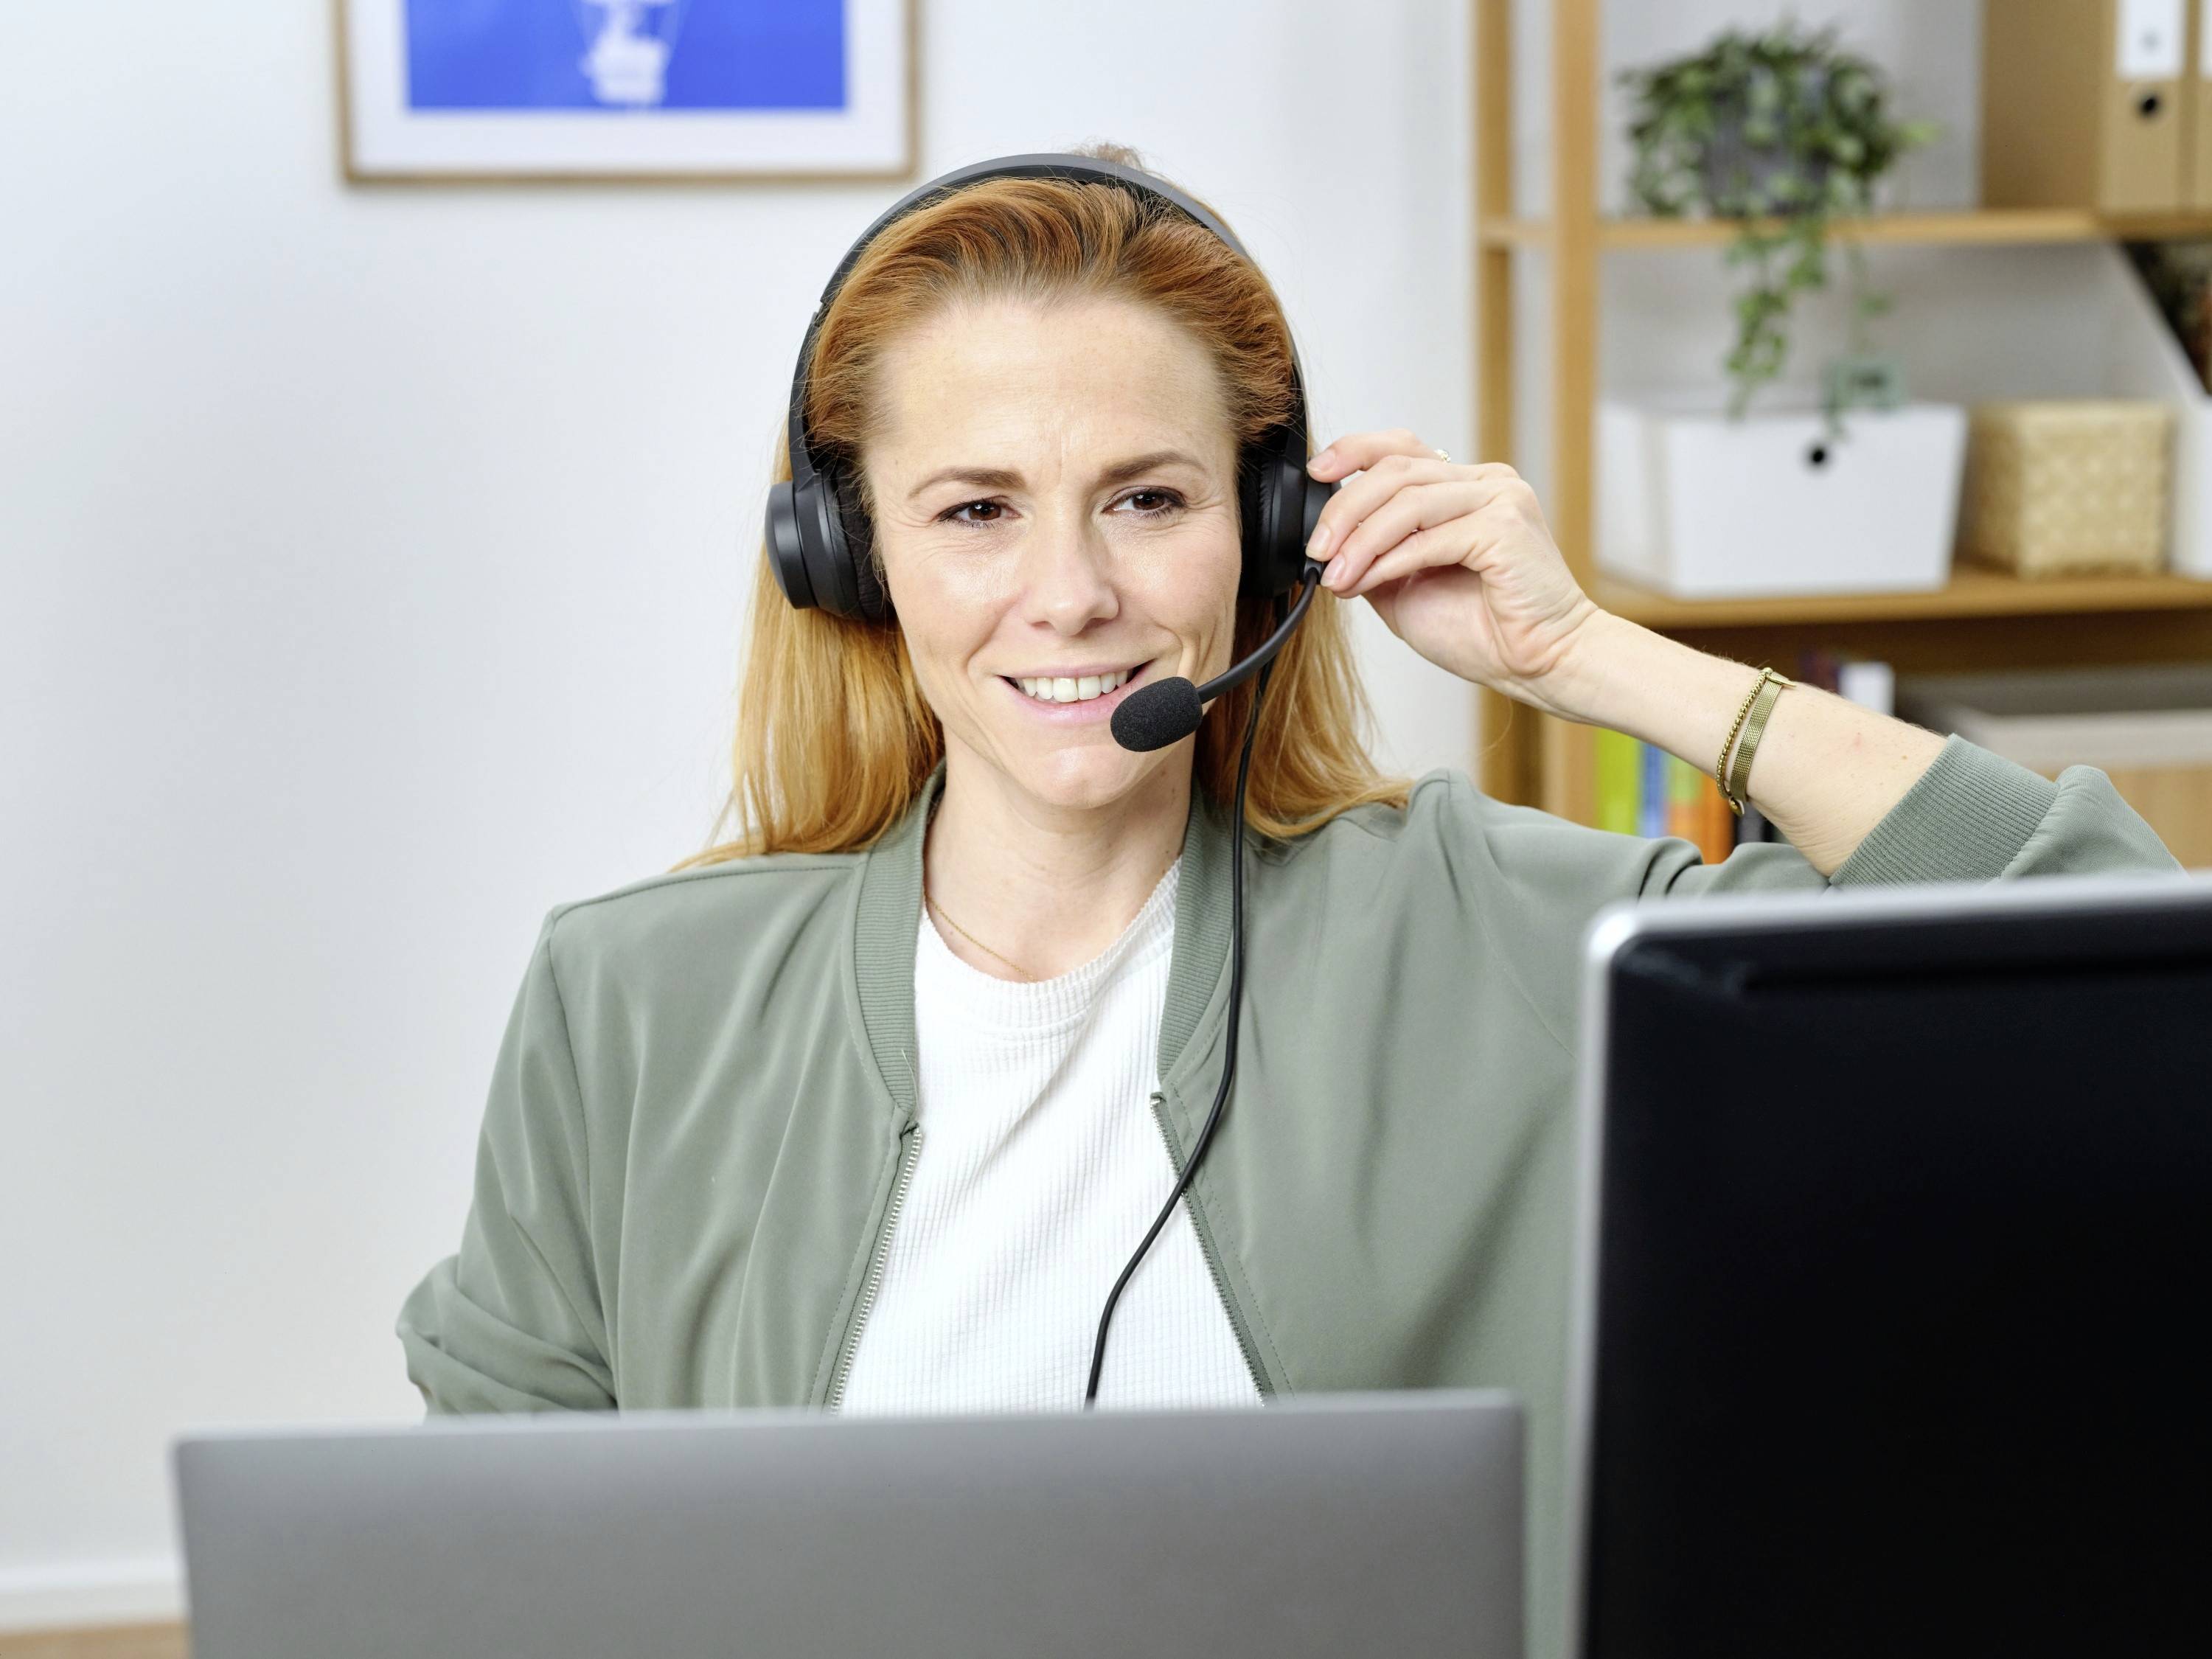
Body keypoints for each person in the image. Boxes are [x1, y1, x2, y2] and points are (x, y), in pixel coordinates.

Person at [397, 147, 2177, 1656]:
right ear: (848, 558)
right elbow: (472, 1582)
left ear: (1268, 530)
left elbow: (2107, 941)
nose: (1072, 593)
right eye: (975, 511)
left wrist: (1591, 656)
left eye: (1149, 499)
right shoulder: (635, 1000)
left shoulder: (1488, 931)